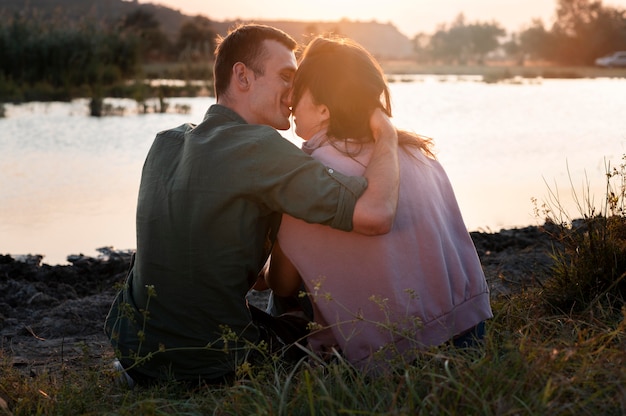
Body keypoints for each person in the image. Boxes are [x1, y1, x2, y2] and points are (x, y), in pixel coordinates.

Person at [104, 24, 400, 385]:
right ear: (242, 76)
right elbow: (376, 213)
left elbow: (205, 257)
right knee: (306, 303)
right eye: (286, 77)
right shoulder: (260, 147)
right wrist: (386, 134)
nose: (295, 91)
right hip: (214, 363)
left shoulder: (165, 142)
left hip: (136, 351)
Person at [264, 36, 493, 373]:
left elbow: (282, 284)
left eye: (299, 93)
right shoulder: (416, 153)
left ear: (324, 108)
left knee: (280, 291)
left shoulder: (310, 174)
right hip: (470, 333)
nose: (291, 102)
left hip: (395, 355)